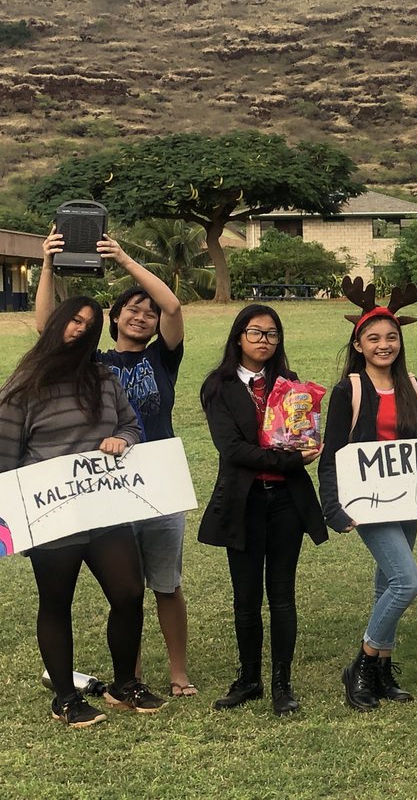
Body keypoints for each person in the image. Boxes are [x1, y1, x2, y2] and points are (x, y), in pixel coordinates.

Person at [35, 227, 193, 698]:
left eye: (148, 312)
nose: (143, 316)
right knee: (126, 588)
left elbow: (173, 307)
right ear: (115, 318)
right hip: (107, 488)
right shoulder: (95, 364)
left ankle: (179, 672)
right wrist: (47, 265)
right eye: (132, 309)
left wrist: (123, 259)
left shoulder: (163, 359)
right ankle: (132, 675)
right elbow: (48, 329)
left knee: (167, 583)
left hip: (158, 481)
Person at [0, 297, 162, 727]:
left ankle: (124, 685)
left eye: (89, 326)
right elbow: (4, 457)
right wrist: (17, 523)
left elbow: (130, 425)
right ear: (56, 324)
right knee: (56, 602)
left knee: (128, 593)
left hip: (104, 508)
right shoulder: (24, 385)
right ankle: (66, 699)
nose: (79, 330)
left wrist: (123, 440)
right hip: (52, 514)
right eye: (73, 320)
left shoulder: (103, 378)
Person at [199, 305, 327, 715]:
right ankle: (249, 679)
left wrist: (305, 446)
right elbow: (232, 450)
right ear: (238, 337)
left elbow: (299, 434)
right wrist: (288, 460)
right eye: (255, 332)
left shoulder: (290, 384)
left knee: (282, 595)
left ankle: (281, 684)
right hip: (244, 502)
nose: (264, 341)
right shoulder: (218, 386)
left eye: (272, 334)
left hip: (287, 501)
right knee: (246, 597)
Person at [318, 284, 417, 709]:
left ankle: (383, 672)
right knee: (407, 581)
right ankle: (363, 664)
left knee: (388, 582)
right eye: (373, 338)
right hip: (368, 502)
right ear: (359, 345)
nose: (383, 344)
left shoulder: (414, 386)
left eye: (391, 337)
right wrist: (333, 508)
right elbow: (333, 454)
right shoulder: (348, 390)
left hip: (409, 500)